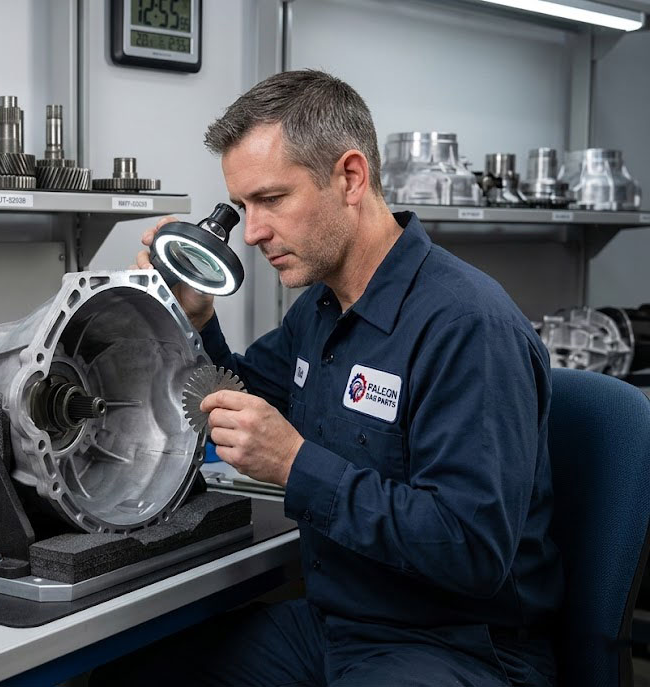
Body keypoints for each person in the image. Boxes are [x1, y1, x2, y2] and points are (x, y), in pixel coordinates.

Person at [95, 70, 563, 686]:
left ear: (350, 177)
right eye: (242, 208)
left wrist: (295, 464)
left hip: (459, 647)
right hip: (338, 626)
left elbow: (471, 549)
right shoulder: (320, 311)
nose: (254, 231)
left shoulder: (467, 327)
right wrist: (193, 321)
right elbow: (232, 397)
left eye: (271, 199)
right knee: (130, 672)